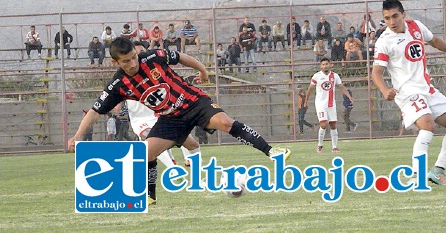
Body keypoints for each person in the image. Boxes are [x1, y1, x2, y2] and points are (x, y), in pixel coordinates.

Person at [67, 37, 290, 204]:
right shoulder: (117, 85)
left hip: (192, 101)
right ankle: (149, 195)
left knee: (225, 122)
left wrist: (202, 69)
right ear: (115, 61)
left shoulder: (152, 57)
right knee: (145, 154)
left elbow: (180, 56)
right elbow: (95, 111)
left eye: (134, 57)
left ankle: (272, 151)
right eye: (126, 61)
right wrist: (77, 137)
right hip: (170, 118)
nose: (133, 63)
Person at [372, 0, 446, 186]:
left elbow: (434, 41)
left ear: (403, 14)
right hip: (407, 93)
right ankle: (418, 176)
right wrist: (384, 90)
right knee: (427, 125)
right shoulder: (384, 41)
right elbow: (376, 72)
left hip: (427, 89)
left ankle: (437, 171)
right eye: (387, 18)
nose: (391, 22)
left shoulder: (416, 26)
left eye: (395, 16)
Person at [305, 57, 353, 153]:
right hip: (321, 104)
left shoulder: (335, 76)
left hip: (331, 104)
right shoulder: (316, 76)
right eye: (323, 64)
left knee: (333, 125)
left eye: (327, 64)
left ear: (330, 65)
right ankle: (320, 145)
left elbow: (341, 87)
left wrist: (349, 96)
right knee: (323, 124)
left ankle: (334, 147)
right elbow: (310, 89)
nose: (325, 66)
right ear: (320, 66)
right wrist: (306, 101)